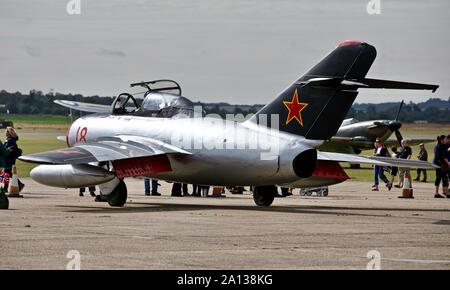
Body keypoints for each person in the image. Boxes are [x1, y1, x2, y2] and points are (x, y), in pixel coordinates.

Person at [2, 127, 23, 192]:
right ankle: (6, 187)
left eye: (8, 132)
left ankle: (6, 188)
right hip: (6, 159)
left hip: (9, 159)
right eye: (6, 131)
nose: (6, 133)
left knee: (7, 173)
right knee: (6, 173)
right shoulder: (8, 140)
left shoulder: (11, 141)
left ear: (11, 133)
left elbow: (9, 150)